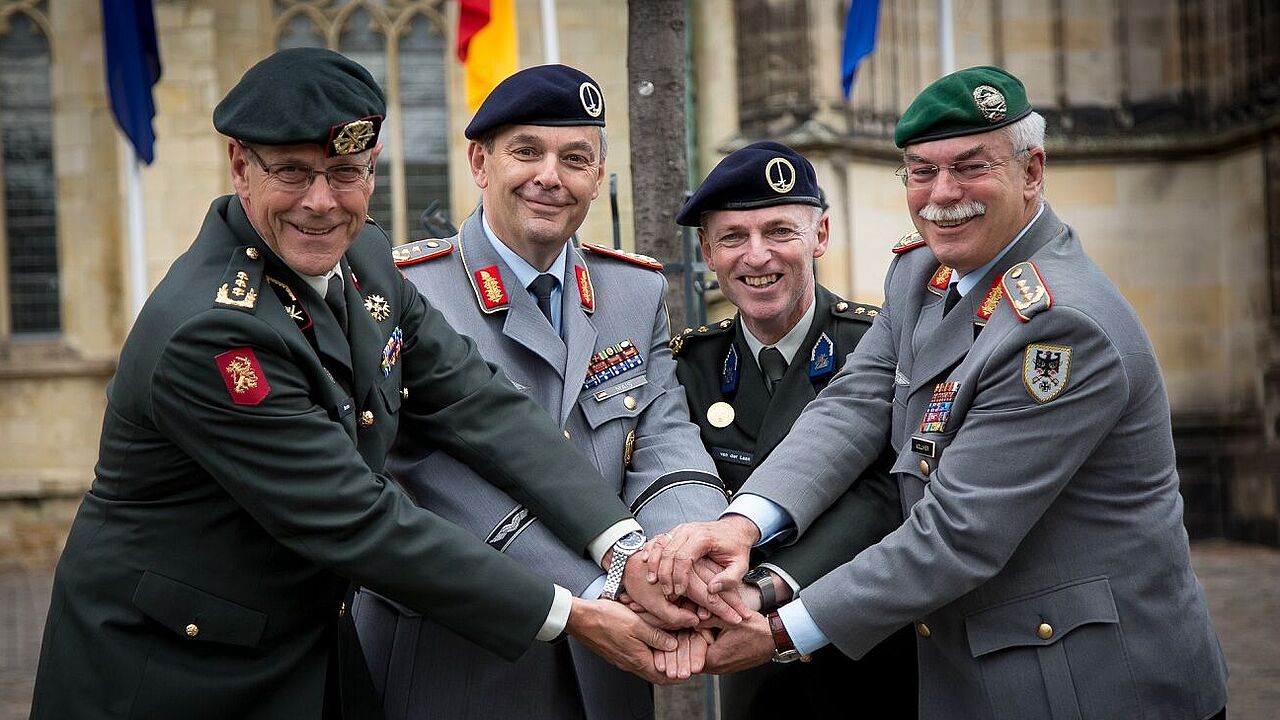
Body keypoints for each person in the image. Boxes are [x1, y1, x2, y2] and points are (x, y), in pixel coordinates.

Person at [29, 48, 682, 720]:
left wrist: (622, 548)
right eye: (292, 172)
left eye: (345, 173)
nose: (322, 203)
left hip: (300, 639)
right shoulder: (213, 333)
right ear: (240, 169)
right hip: (169, 670)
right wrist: (574, 612)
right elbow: (359, 520)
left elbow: (474, 400)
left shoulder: (363, 256)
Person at [649, 66, 1229, 720]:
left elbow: (957, 534)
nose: (942, 193)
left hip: (1087, 686)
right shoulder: (922, 272)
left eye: (969, 166)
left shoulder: (1059, 327)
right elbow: (852, 409)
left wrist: (779, 629)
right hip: (974, 672)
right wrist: (741, 526)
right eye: (920, 171)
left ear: (1032, 172)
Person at [352, 64, 733, 720]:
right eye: (526, 151)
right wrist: (605, 584)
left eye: (575, 158)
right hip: (456, 659)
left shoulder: (633, 291)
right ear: (479, 162)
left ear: (596, 175)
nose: (549, 177)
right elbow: (417, 469)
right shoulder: (403, 289)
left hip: (609, 670)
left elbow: (665, 438)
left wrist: (680, 559)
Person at [669, 141, 916, 719]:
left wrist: (769, 587)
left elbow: (888, 495)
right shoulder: (691, 366)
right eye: (732, 237)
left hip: (875, 662)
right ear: (706, 250)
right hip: (747, 674)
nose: (757, 256)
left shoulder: (878, 348)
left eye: (780, 231)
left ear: (820, 236)